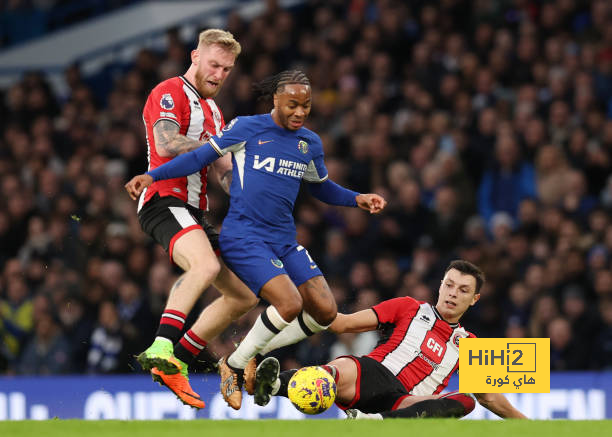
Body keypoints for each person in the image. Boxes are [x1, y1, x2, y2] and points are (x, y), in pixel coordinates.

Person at [125, 70, 387, 410]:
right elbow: (198, 158)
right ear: (276, 100)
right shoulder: (247, 127)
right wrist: (152, 175)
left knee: (325, 310)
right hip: (245, 236)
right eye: (292, 105)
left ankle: (248, 354)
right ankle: (233, 365)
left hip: (284, 241)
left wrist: (357, 199)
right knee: (289, 304)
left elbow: (320, 186)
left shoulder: (310, 142)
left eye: (306, 106)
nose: (299, 113)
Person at [133, 28, 259, 409]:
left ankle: (179, 361)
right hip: (161, 199)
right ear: (195, 57)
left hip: (193, 211)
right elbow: (167, 142)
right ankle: (160, 346)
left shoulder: (215, 111)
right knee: (203, 266)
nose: (220, 74)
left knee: (242, 296)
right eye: (214, 64)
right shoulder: (170, 92)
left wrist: (247, 187)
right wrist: (218, 146)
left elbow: (220, 169)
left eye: (227, 69)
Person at [254, 260, 527, 419]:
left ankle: (373, 422)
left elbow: (489, 397)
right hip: (372, 375)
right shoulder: (409, 307)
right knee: (335, 371)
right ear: (441, 285)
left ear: (474, 299)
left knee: (466, 401)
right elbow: (344, 323)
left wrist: (528, 426)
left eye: (463, 290)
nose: (453, 293)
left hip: (405, 404)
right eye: (449, 285)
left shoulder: (471, 343)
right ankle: (274, 384)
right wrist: (310, 304)